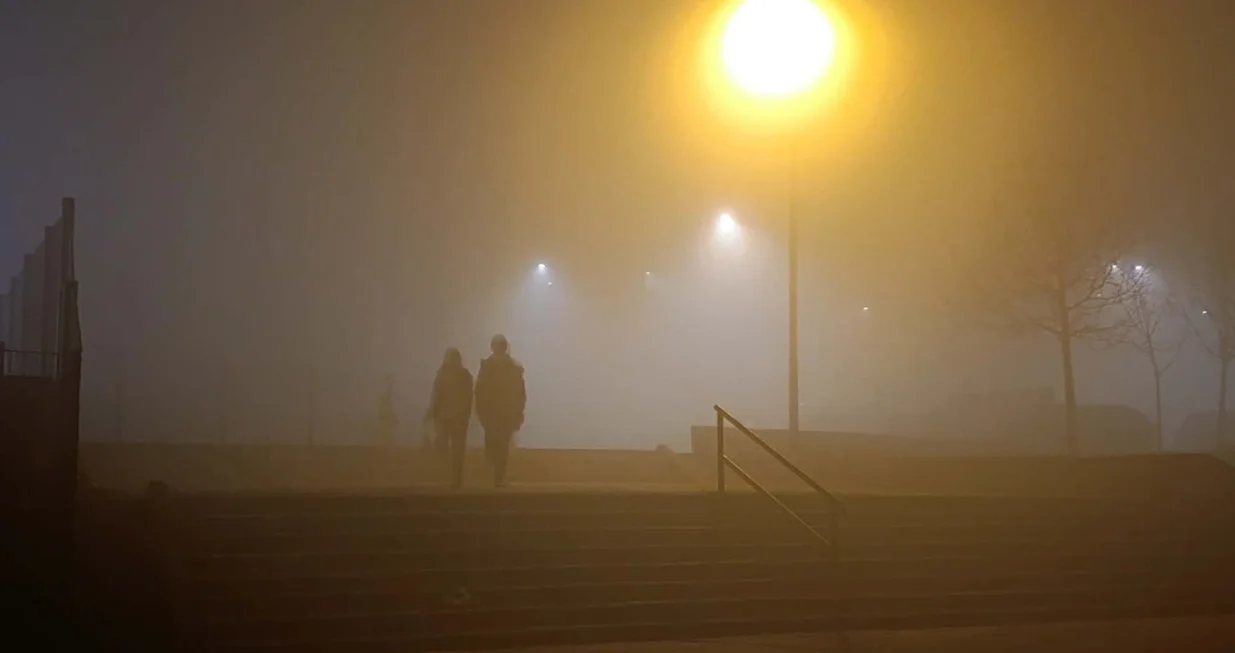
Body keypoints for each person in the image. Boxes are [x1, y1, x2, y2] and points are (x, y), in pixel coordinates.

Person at [474, 334, 526, 488]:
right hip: (500, 414)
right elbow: (520, 393)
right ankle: (496, 476)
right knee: (499, 446)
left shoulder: (489, 367)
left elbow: (479, 391)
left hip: (497, 414)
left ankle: (495, 476)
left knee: (497, 445)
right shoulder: (511, 368)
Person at [425, 348, 474, 487]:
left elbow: (436, 396)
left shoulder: (444, 374)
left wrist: (431, 413)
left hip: (448, 417)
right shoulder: (461, 375)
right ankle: (454, 478)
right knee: (455, 449)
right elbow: (468, 398)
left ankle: (452, 478)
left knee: (452, 448)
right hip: (453, 418)